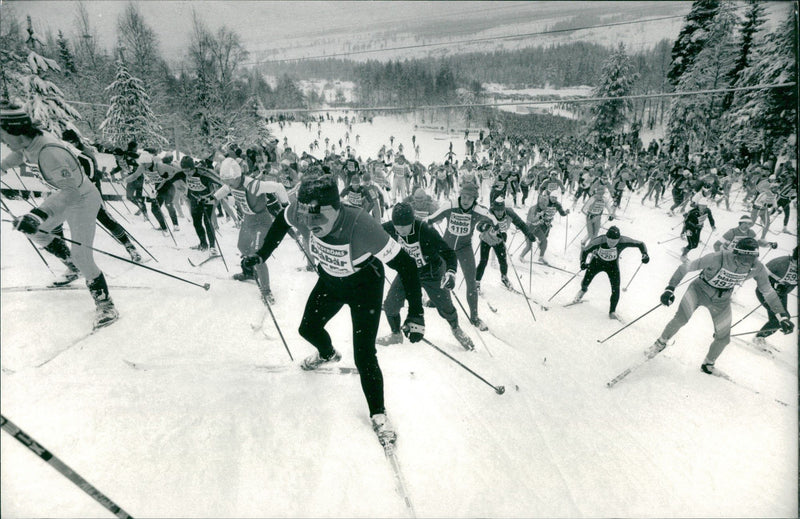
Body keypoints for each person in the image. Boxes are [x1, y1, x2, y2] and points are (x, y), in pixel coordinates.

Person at [241, 174, 424, 446]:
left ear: (335, 209)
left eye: (319, 220)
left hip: (364, 287)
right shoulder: (304, 209)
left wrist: (416, 314)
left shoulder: (362, 225)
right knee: (307, 328)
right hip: (330, 281)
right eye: (308, 219)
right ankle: (327, 353)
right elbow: (282, 221)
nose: (312, 226)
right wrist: (262, 255)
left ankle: (379, 414)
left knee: (364, 355)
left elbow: (407, 265)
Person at [0, 101, 118, 329]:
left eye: (2, 134)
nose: (1, 141)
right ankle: (72, 266)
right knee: (37, 232)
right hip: (64, 195)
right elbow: (19, 153)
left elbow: (71, 191)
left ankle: (105, 304)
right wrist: (2, 167)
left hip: (81, 198)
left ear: (15, 130)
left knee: (82, 255)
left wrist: (39, 213)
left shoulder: (49, 152)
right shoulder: (28, 142)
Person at [648, 237, 794, 374]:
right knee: (681, 319)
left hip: (721, 300)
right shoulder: (717, 257)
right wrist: (670, 288)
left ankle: (708, 364)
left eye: (751, 258)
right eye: (743, 258)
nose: (746, 262)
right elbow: (685, 267)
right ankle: (659, 344)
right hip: (698, 290)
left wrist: (781, 316)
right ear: (735, 253)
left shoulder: (758, 267)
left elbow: (768, 291)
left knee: (724, 337)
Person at [377, 202, 474, 350]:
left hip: (432, 272)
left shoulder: (426, 230)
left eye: (405, 227)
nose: (400, 231)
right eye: (398, 227)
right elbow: (371, 234)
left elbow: (448, 253)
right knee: (390, 305)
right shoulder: (390, 227)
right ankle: (396, 334)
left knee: (445, 306)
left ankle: (456, 328)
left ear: (412, 221)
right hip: (408, 273)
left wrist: (451, 272)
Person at [207, 154, 289, 304]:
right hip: (248, 219)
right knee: (243, 247)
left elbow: (279, 187)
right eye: (226, 181)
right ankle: (250, 273)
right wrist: (213, 198)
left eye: (230, 181)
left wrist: (285, 206)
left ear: (238, 176)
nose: (228, 184)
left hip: (262, 222)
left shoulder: (254, 185)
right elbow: (224, 189)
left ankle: (266, 290)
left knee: (257, 255)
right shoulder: (231, 184)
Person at [61, 129, 143, 262]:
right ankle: (63, 251)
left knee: (104, 218)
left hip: (90, 190)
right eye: (66, 144)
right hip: (73, 191)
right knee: (59, 216)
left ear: (76, 142)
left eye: (71, 143)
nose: (68, 147)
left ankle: (130, 246)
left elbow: (91, 175)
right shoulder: (66, 153)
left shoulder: (84, 154)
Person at [427, 181, 498, 331]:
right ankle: (435, 301)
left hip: (464, 248)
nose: (465, 201)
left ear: (474, 199)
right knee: (439, 276)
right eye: (464, 196)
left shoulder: (479, 210)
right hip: (446, 248)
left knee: (471, 282)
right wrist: (430, 235)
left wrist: (490, 229)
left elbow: (494, 220)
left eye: (469, 198)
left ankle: (474, 317)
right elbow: (429, 220)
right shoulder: (450, 205)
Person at [573, 226, 648, 320]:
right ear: (606, 237)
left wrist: (645, 254)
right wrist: (582, 262)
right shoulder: (599, 240)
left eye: (614, 242)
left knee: (616, 288)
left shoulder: (623, 240)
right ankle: (583, 290)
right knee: (586, 281)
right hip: (597, 263)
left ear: (618, 239)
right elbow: (585, 251)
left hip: (612, 266)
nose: (611, 244)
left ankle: (612, 311)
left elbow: (640, 244)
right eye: (609, 241)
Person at [475, 196, 536, 292]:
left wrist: (528, 234)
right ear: (493, 209)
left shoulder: (510, 214)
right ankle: (476, 282)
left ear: (504, 209)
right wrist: (484, 227)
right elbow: (478, 226)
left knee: (503, 261)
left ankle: (504, 277)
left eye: (501, 210)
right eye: (497, 210)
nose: (499, 213)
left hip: (499, 240)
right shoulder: (489, 214)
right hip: (486, 240)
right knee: (483, 262)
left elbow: (521, 224)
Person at [752, 247, 797, 347]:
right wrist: (774, 284)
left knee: (784, 318)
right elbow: (759, 275)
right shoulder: (780, 262)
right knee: (780, 319)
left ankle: (760, 337)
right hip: (766, 292)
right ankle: (759, 338)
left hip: (782, 294)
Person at [180, 156, 222, 256]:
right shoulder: (183, 174)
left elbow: (221, 181)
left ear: (193, 168)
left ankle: (212, 247)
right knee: (196, 223)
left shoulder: (204, 173)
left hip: (207, 199)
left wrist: (216, 196)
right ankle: (203, 244)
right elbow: (170, 178)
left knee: (207, 222)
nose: (187, 174)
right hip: (194, 199)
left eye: (188, 171)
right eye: (184, 171)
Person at [713, 215, 777, 252]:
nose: (747, 226)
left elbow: (758, 242)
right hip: (728, 253)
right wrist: (719, 256)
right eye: (745, 223)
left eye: (749, 224)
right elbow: (716, 245)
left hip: (741, 254)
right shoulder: (731, 232)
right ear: (740, 223)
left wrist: (769, 244)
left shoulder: (751, 232)